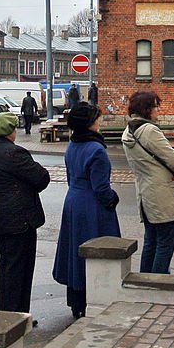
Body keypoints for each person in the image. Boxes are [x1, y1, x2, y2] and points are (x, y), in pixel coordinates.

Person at [52, 102, 120, 319]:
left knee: (75, 250)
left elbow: (71, 177)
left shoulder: (72, 145)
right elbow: (101, 188)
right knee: (96, 250)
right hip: (91, 206)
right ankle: (95, 297)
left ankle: (76, 300)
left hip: (73, 201)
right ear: (90, 124)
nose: (98, 123)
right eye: (96, 119)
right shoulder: (97, 150)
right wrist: (112, 199)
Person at [0, 112, 50, 315]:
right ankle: (16, 315)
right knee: (21, 268)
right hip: (21, 218)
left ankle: (10, 312)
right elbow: (41, 178)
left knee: (8, 266)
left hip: (0, 216)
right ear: (10, 131)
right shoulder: (14, 153)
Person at [121, 91, 174, 274]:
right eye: (156, 106)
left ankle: (145, 280)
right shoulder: (149, 130)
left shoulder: (130, 130)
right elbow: (173, 159)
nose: (159, 110)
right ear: (146, 109)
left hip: (145, 192)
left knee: (151, 240)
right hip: (161, 193)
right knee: (165, 241)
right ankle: (158, 281)